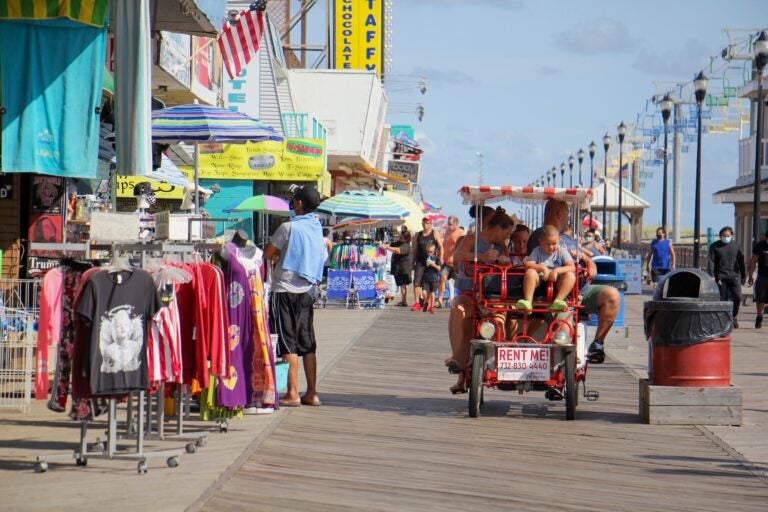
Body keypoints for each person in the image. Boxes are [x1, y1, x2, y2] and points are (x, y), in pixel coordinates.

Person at [527, 198, 621, 364]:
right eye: (566, 214)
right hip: (563, 295)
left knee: (611, 295)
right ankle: (561, 376)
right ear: (558, 214)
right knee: (564, 327)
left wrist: (589, 261)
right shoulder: (542, 236)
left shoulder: (567, 238)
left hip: (582, 290)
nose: (568, 219)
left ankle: (597, 344)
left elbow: (580, 254)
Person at [263, 185, 326, 407]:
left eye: (294, 199)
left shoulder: (288, 228)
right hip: (307, 290)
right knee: (307, 342)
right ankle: (312, 393)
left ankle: (292, 393)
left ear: (298, 203)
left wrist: (281, 253)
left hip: (285, 290)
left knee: (287, 341)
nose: (292, 201)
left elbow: (267, 253)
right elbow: (322, 256)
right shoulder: (317, 228)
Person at [446, 207, 514, 394]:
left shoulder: (502, 247)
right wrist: (482, 257)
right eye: (506, 233)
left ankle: (502, 365)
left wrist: (504, 261)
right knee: (457, 311)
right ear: (498, 228)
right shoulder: (471, 239)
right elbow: (457, 256)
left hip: (491, 293)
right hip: (469, 289)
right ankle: (457, 359)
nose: (506, 238)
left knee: (500, 317)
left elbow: (508, 262)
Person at [517, 225, 576, 311]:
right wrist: (543, 268)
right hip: (539, 282)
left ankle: (558, 301)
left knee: (570, 276)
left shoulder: (561, 250)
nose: (551, 247)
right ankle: (528, 302)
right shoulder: (537, 250)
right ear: (540, 242)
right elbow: (527, 264)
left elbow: (572, 267)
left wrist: (557, 270)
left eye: (554, 243)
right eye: (548, 244)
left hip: (557, 282)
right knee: (530, 272)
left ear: (559, 240)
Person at [708, 226, 746, 328]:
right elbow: (710, 261)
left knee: (738, 297)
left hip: (734, 276)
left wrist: (744, 275)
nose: (726, 237)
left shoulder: (736, 245)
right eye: (724, 236)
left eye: (728, 236)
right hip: (720, 277)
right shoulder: (714, 246)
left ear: (732, 235)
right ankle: (723, 320)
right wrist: (711, 276)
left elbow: (741, 260)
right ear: (720, 236)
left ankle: (734, 316)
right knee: (722, 299)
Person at [411, 217, 443, 311]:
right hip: (420, 262)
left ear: (431, 224)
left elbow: (441, 247)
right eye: (424, 223)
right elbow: (415, 249)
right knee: (416, 282)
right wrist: (413, 261)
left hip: (431, 262)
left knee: (429, 283)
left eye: (427, 223)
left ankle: (428, 303)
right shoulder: (418, 234)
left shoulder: (435, 233)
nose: (425, 224)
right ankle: (417, 303)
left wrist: (440, 258)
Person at [437, 215, 465, 308]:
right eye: (448, 224)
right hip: (447, 262)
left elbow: (464, 247)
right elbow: (444, 245)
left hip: (457, 262)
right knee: (442, 278)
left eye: (450, 224)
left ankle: (456, 301)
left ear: (456, 224)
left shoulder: (461, 233)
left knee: (457, 283)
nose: (448, 226)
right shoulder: (447, 232)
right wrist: (441, 256)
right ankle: (440, 300)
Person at [381, 229, 412, 306]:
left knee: (403, 285)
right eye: (400, 237)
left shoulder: (406, 245)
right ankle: (403, 301)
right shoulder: (399, 243)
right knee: (402, 285)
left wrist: (387, 248)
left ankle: (404, 301)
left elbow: (398, 250)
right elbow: (391, 244)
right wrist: (385, 245)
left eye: (401, 237)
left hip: (404, 268)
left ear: (406, 238)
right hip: (399, 268)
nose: (399, 238)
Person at [747, 230, 768, 329]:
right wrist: (750, 276)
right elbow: (753, 261)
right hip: (763, 276)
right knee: (760, 299)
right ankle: (759, 316)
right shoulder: (760, 246)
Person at [421, 242, 441, 313]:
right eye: (428, 252)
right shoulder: (425, 258)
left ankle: (432, 307)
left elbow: (439, 268)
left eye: (431, 252)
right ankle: (427, 302)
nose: (429, 253)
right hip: (425, 277)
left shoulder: (437, 258)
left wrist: (433, 264)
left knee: (432, 293)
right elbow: (421, 267)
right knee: (424, 292)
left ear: (434, 251)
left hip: (433, 277)